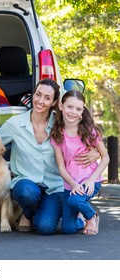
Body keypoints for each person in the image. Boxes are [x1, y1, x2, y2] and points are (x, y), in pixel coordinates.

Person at [0, 78, 99, 235]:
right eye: (38, 95)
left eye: (47, 98)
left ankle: (76, 217)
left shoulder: (62, 124)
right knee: (27, 193)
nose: (40, 101)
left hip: (55, 185)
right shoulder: (15, 124)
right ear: (33, 95)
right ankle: (27, 213)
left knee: (45, 227)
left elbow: (88, 137)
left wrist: (96, 152)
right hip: (26, 183)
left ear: (55, 102)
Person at [50, 90, 109, 235]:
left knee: (75, 201)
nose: (73, 112)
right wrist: (73, 184)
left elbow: (105, 157)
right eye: (69, 107)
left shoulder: (89, 131)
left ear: (83, 111)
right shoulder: (57, 135)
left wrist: (91, 180)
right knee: (68, 229)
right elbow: (61, 168)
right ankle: (81, 219)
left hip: (90, 181)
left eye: (78, 109)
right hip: (71, 185)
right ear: (61, 106)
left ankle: (91, 216)